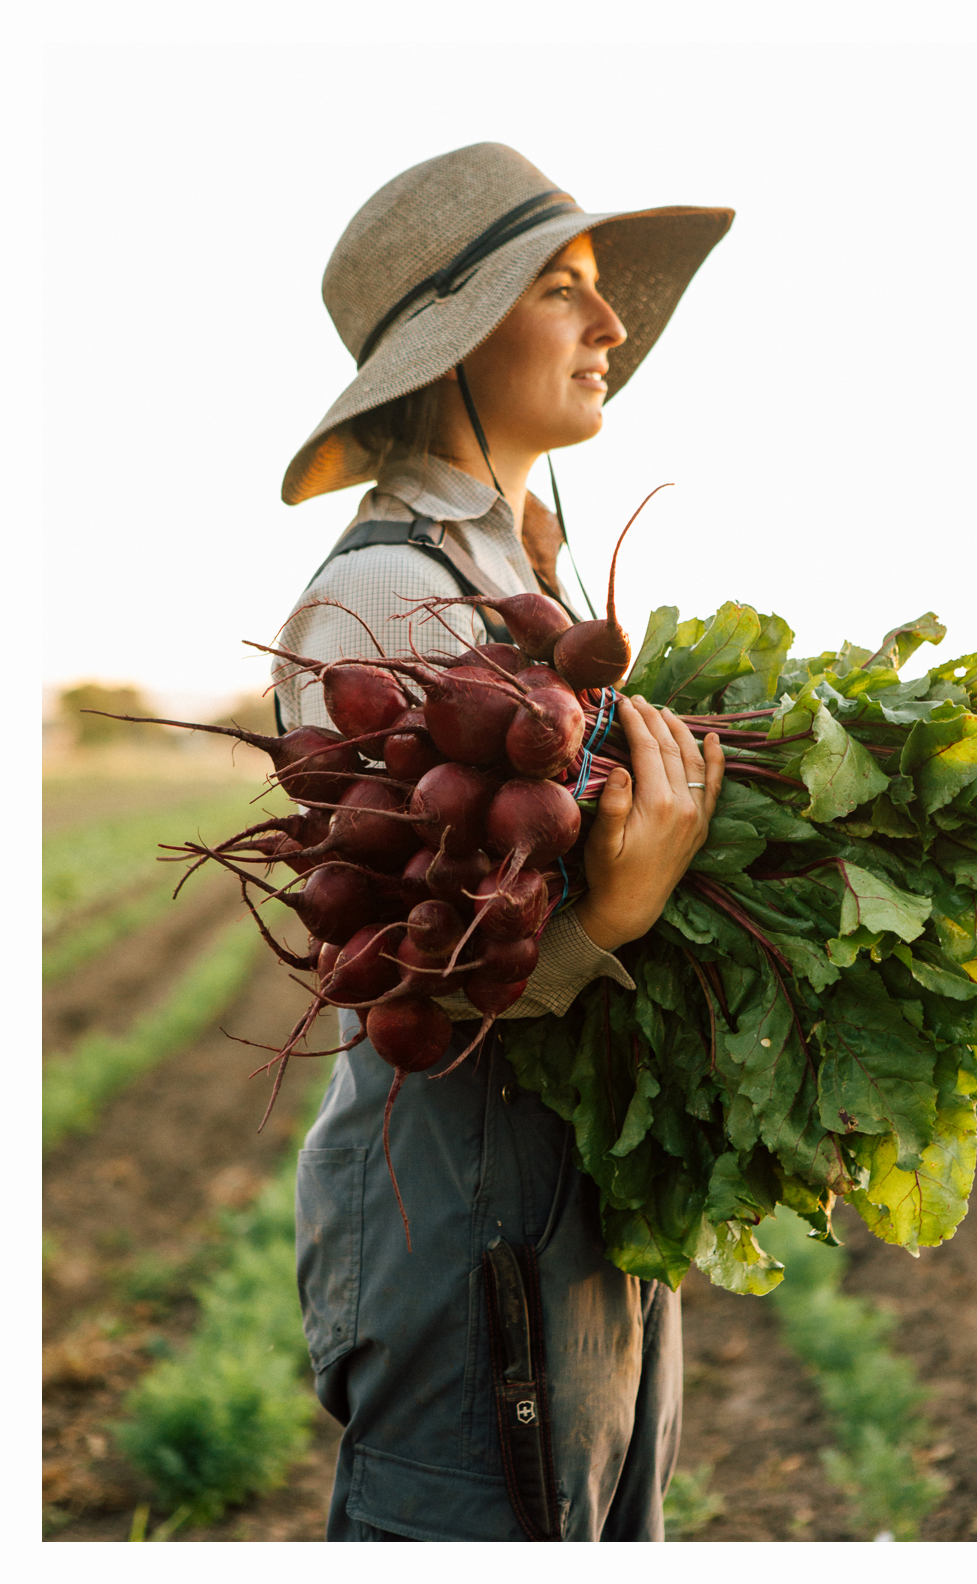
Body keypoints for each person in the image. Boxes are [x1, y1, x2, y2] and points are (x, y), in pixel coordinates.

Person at [274, 143, 732, 1540]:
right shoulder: (387, 593)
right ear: (457, 339)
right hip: (464, 1237)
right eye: (564, 289)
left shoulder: (519, 573)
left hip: (570, 1223)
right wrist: (614, 918)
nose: (611, 327)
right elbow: (408, 967)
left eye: (603, 296)